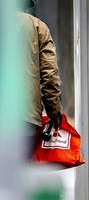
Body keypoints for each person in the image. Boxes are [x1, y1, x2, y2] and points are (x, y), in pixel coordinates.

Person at [22, 11, 61, 154]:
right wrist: (53, 111)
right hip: (24, 118)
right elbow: (49, 74)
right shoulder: (37, 26)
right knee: (19, 172)